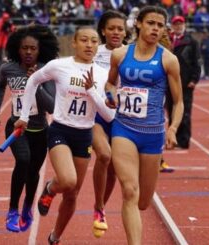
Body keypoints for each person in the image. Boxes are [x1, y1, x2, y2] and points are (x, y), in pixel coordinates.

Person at [14, 26, 114, 245]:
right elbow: (32, 81)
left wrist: (92, 92)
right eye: (85, 40)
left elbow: (108, 115)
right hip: (61, 130)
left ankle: (55, 236)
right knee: (68, 181)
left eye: (94, 41)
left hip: (84, 134)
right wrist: (24, 116)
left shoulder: (104, 74)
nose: (89, 45)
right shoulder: (59, 66)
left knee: (72, 194)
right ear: (74, 43)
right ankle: (50, 188)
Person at [105, 6, 183, 244]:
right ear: (138, 24)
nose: (155, 29)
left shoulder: (168, 60)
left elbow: (178, 102)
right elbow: (110, 84)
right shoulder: (120, 54)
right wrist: (111, 95)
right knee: (129, 190)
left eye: (160, 25)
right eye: (151, 23)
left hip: (153, 133)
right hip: (123, 128)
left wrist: (173, 128)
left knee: (143, 201)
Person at [0, 25, 59, 232]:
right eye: (24, 48)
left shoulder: (46, 71)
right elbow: (0, 85)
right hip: (17, 127)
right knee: (23, 160)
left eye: (33, 48)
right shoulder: (7, 68)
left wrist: (35, 82)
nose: (28, 52)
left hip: (40, 130)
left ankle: (27, 207)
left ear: (40, 51)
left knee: (33, 172)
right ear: (16, 49)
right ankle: (12, 209)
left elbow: (51, 106)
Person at [91, 9, 127, 238]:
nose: (116, 32)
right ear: (103, 30)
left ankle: (101, 206)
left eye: (120, 28)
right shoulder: (93, 51)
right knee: (104, 155)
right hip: (94, 114)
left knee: (114, 167)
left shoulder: (131, 53)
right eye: (111, 28)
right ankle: (98, 205)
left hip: (122, 116)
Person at [168, 15, 201, 149]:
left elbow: (197, 61)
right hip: (168, 82)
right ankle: (172, 139)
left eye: (180, 24)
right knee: (170, 111)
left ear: (184, 25)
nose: (178, 26)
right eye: (175, 24)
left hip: (185, 82)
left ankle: (184, 140)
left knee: (184, 112)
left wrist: (194, 79)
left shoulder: (192, 42)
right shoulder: (167, 40)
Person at [158, 25, 175, 173]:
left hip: (160, 93)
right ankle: (159, 160)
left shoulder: (167, 50)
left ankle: (159, 159)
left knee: (160, 124)